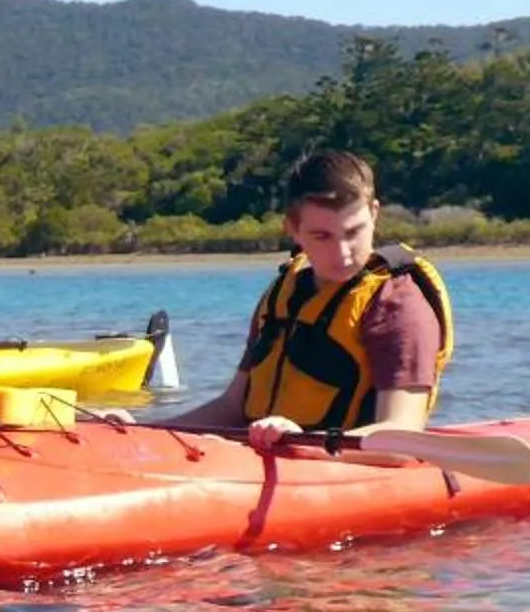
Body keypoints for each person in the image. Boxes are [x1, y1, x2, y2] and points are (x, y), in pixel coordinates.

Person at [148, 150, 452, 449]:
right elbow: (232, 407)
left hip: (345, 471)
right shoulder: (284, 292)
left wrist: (302, 442)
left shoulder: (395, 303)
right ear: (292, 229)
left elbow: (401, 439)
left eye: (354, 232)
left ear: (373, 212)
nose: (343, 252)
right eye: (322, 236)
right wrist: (138, 433)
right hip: (271, 458)